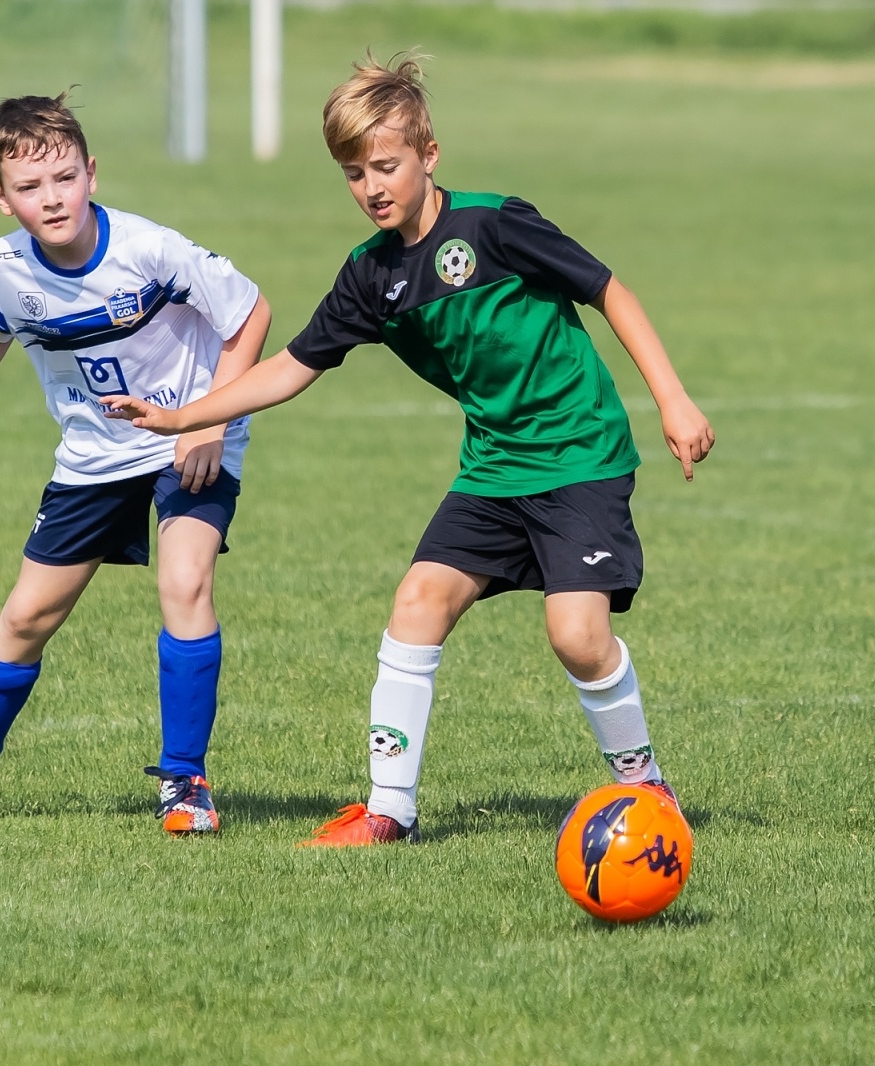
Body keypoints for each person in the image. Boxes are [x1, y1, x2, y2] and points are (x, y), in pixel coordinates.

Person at [105, 55, 714, 847]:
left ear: (430, 154)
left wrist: (672, 398)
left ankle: (645, 785)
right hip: (493, 468)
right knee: (418, 602)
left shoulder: (496, 226)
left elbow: (608, 291)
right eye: (353, 174)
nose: (371, 187)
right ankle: (389, 809)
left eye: (386, 166)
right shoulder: (372, 276)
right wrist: (185, 417)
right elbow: (291, 367)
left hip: (579, 456)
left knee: (577, 636)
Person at [0, 92, 271, 833]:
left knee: (185, 580)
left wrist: (209, 420)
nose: (52, 198)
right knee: (27, 615)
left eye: (64, 178)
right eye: (29, 186)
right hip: (94, 453)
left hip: (185, 436)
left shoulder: (149, 250)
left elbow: (249, 314)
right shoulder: (4, 267)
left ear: (91, 173)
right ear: (1, 197)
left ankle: (185, 782)